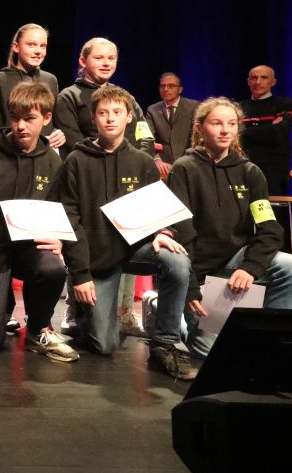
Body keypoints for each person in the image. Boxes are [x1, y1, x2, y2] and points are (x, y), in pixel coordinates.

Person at [58, 85, 196, 379]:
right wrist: (80, 274)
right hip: (99, 259)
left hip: (135, 249)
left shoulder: (142, 161)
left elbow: (157, 208)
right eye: (103, 113)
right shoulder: (76, 161)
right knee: (104, 345)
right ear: (93, 118)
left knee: (177, 261)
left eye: (117, 112)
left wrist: (163, 231)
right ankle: (86, 313)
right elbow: (70, 221)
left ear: (129, 117)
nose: (110, 119)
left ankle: (165, 344)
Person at [0, 82, 78, 361]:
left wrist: (59, 240)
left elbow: (58, 211)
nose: (21, 126)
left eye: (29, 119)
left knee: (52, 267)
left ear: (46, 119)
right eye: (15, 118)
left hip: (27, 248)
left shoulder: (52, 161)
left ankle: (38, 328)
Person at [164, 97, 289, 358]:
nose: (225, 130)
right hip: (200, 273)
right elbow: (181, 233)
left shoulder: (250, 172)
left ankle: (273, 336)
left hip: (234, 266)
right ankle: (165, 310)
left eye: (231, 124)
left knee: (288, 266)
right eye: (217, 123)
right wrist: (190, 288)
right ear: (199, 128)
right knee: (212, 354)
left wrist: (250, 267)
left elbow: (270, 229)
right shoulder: (184, 169)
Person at [53, 37, 155, 335]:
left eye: (111, 58)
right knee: (83, 239)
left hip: (126, 178)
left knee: (129, 239)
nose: (106, 62)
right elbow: (73, 140)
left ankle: (125, 311)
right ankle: (75, 307)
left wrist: (134, 161)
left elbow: (144, 135)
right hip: (89, 179)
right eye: (99, 57)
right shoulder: (69, 96)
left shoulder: (126, 97)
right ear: (83, 61)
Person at [0, 23, 66, 149]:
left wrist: (58, 133)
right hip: (11, 152)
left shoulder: (50, 80)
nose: (38, 51)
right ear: (16, 47)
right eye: (31, 45)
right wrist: (12, 137)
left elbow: (53, 120)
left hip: (43, 152)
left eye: (43, 46)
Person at [239, 65, 292, 196]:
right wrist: (269, 127)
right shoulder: (238, 107)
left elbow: (279, 132)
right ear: (248, 82)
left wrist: (243, 131)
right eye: (254, 78)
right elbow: (232, 135)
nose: (258, 82)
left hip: (274, 170)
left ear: (273, 82)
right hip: (243, 166)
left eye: (264, 78)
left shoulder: (285, 104)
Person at [145, 72, 198, 178]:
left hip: (190, 164)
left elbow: (199, 138)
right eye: (162, 86)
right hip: (164, 167)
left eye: (171, 86)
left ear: (180, 89)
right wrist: (157, 159)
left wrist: (189, 160)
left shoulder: (194, 107)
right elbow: (147, 138)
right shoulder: (152, 110)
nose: (166, 89)